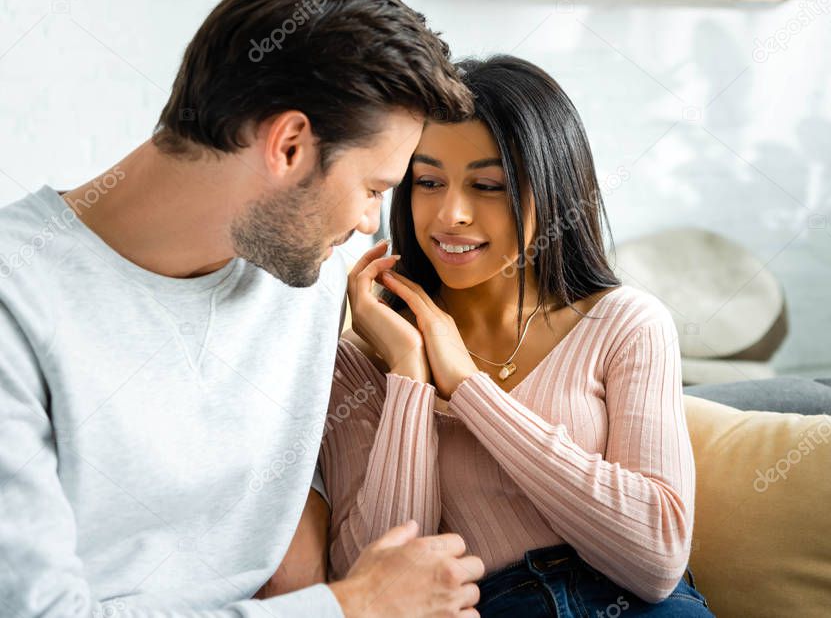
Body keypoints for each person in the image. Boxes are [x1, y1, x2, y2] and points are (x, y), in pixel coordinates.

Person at [0, 0, 485, 618]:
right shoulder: (18, 298)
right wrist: (351, 607)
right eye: (373, 188)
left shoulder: (297, 270)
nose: (369, 221)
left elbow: (278, 526)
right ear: (288, 145)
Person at [266, 56, 714, 616]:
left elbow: (656, 558)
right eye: (427, 182)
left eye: (488, 185)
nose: (450, 213)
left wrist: (469, 387)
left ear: (553, 191)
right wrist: (411, 373)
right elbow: (373, 582)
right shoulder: (362, 360)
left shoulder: (625, 324)